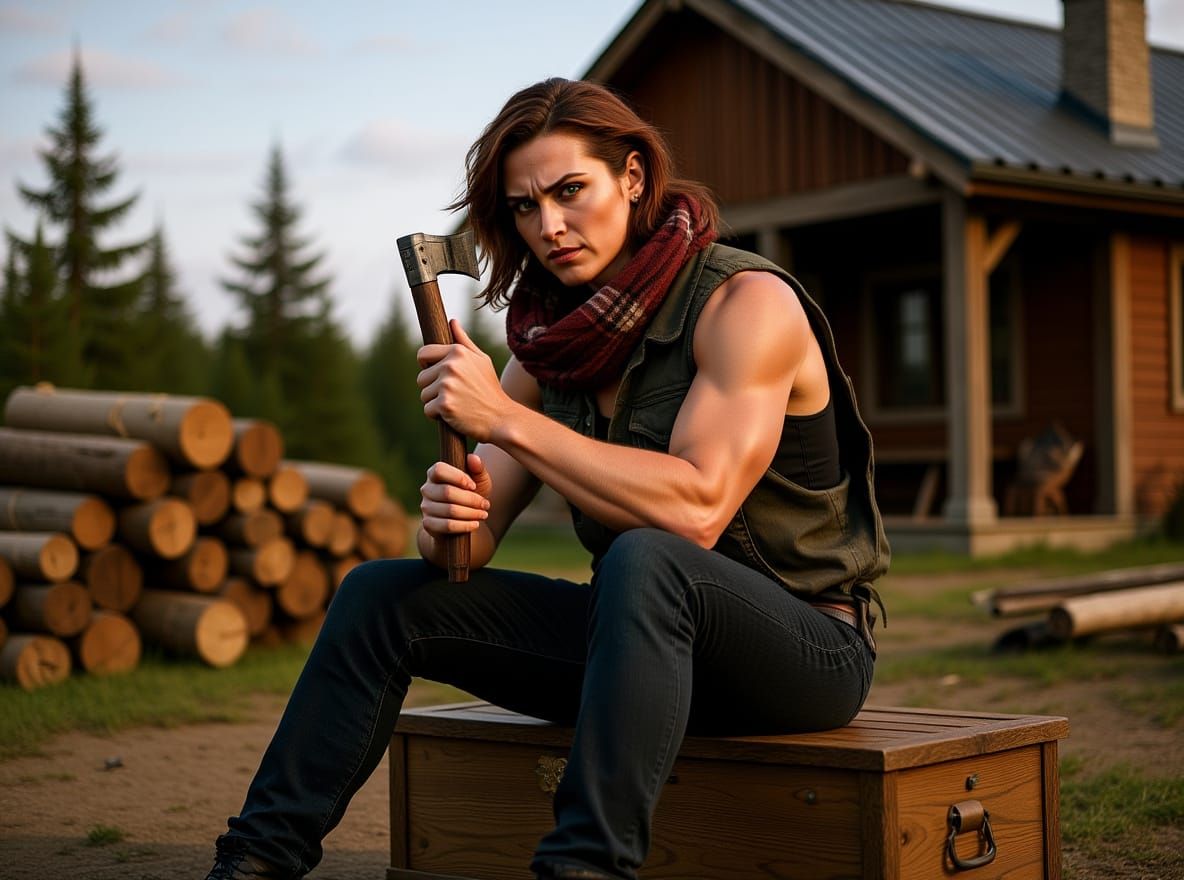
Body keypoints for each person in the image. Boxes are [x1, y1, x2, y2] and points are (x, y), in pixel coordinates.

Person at [205, 77, 889, 880]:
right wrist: (446, 518)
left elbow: (698, 509)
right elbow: (470, 545)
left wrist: (503, 419)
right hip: (635, 648)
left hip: (805, 651)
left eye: (571, 191)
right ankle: (255, 861)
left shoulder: (744, 303)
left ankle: (581, 870)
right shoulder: (548, 347)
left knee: (647, 558)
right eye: (526, 207)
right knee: (380, 595)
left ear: (632, 177)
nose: (550, 226)